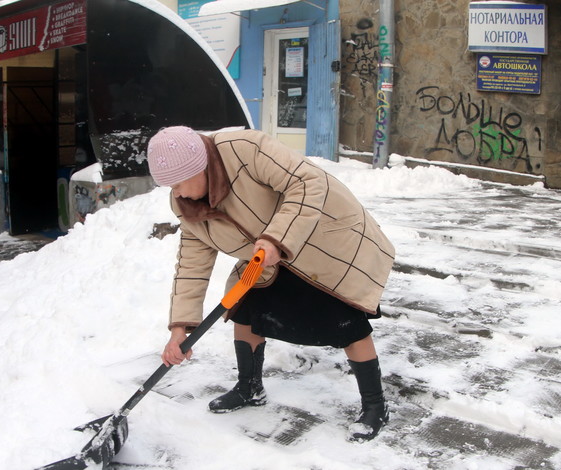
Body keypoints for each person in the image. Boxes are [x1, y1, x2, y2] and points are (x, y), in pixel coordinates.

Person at [149, 126, 396, 441]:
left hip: (320, 242)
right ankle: (249, 388)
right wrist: (179, 328)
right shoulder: (186, 204)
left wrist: (276, 237)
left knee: (345, 322)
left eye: (180, 182)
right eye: (170, 186)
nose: (177, 192)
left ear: (200, 168)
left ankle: (375, 406)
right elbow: (192, 263)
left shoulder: (244, 149)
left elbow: (308, 181)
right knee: (246, 309)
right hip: (264, 260)